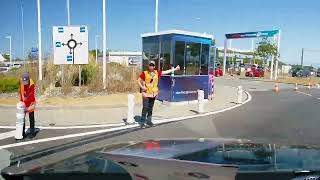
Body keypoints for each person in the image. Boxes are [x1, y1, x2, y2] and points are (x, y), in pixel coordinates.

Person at [137, 60, 180, 127]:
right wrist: (142, 87)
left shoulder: (157, 73)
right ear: (148, 66)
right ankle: (142, 122)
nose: (151, 66)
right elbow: (138, 80)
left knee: (150, 108)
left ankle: (149, 121)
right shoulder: (144, 73)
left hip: (153, 94)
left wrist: (175, 69)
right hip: (146, 93)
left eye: (152, 65)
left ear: (154, 66)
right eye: (150, 65)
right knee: (145, 108)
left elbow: (166, 72)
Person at [19, 72, 36, 138]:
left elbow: (31, 96)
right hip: (24, 102)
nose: (25, 84)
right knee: (22, 117)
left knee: (31, 117)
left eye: (26, 82)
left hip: (31, 103)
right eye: (24, 81)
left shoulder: (32, 84)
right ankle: (22, 132)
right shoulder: (21, 82)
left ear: (28, 80)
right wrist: (21, 101)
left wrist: (26, 100)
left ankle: (32, 133)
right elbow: (21, 93)